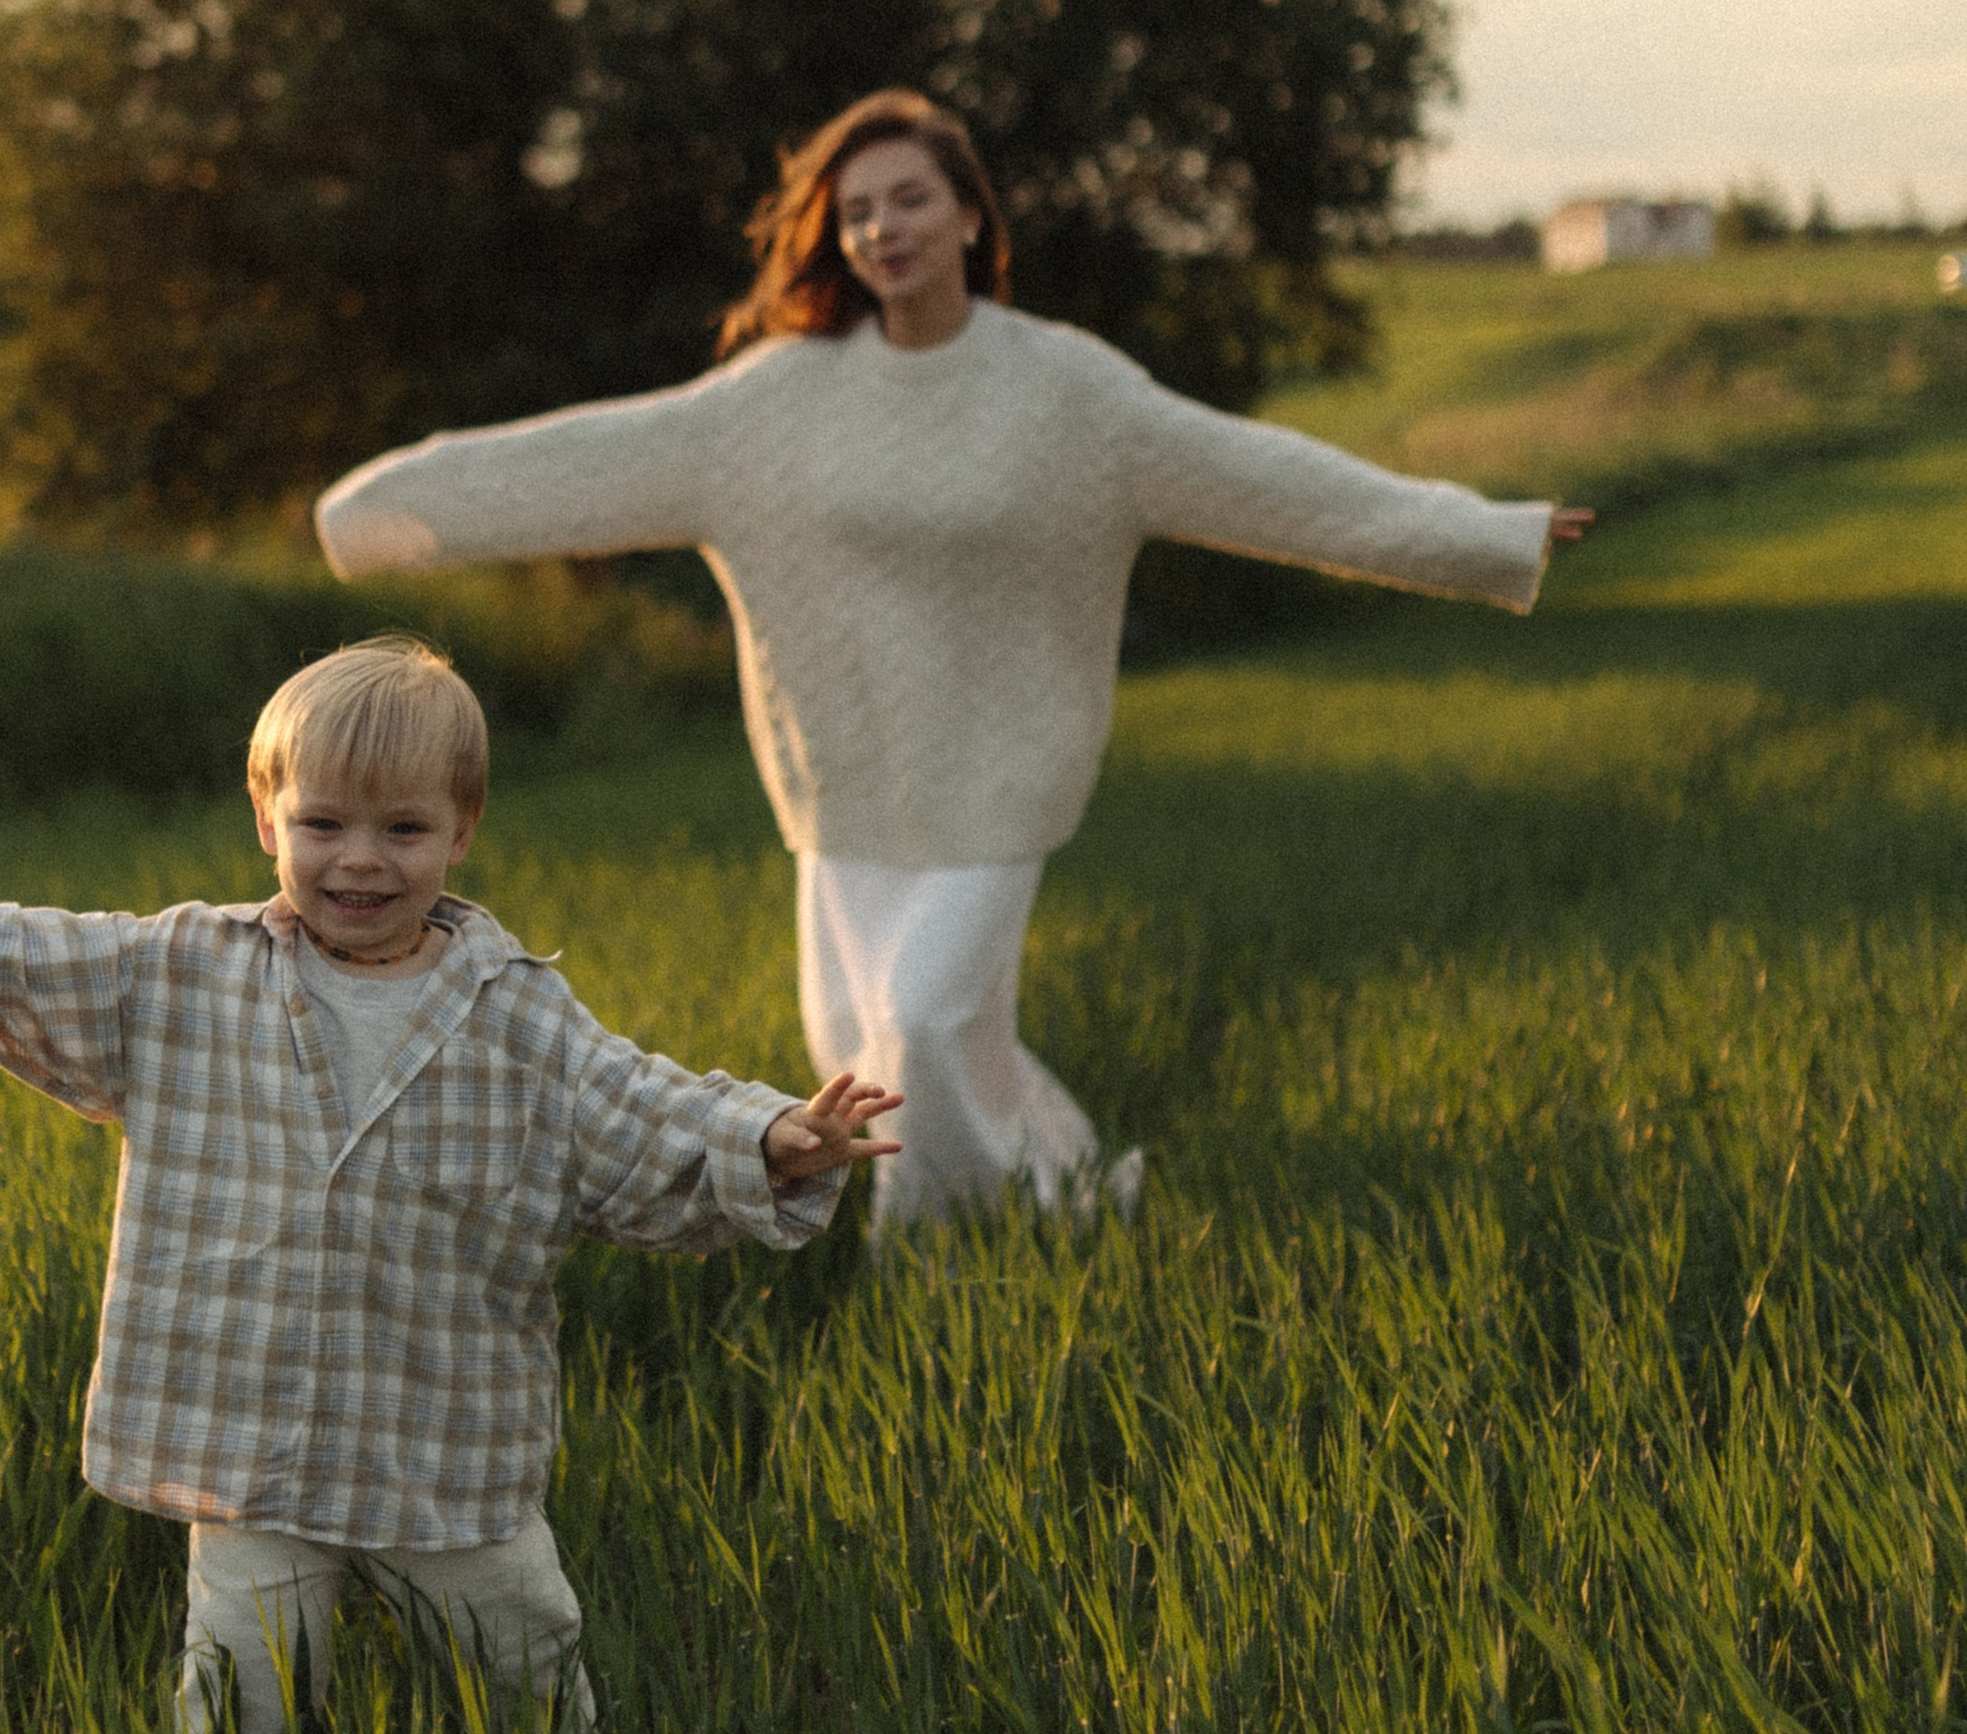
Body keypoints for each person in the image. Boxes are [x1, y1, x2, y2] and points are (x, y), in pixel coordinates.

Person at [316, 92, 1591, 1234]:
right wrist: (378, 517)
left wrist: (1481, 535)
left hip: (999, 783)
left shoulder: (1067, 392)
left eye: (910, 198)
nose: (883, 228)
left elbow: (1268, 481)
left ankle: (925, 1267)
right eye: (857, 209)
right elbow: (584, 460)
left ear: (972, 216)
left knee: (919, 1025)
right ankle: (1061, 1196)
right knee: (889, 1046)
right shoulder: (777, 400)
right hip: (848, 784)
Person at [0, 634, 897, 1734]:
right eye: (324, 825)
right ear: (266, 816)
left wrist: (769, 1135)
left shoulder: (520, 1016)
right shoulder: (187, 974)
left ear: (463, 828)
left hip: (441, 1439)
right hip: (251, 1446)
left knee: (523, 1660)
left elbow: (643, 1104)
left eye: (403, 829)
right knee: (235, 1691)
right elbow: (43, 953)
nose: (361, 862)